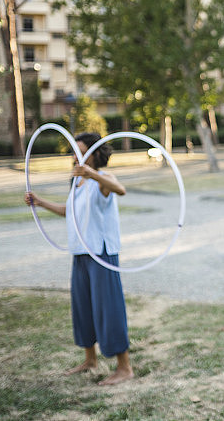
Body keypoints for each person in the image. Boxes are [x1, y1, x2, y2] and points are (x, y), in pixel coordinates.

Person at [25, 132, 134, 386]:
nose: (75, 156)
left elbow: (121, 190)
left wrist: (91, 174)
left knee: (109, 309)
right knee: (83, 308)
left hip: (101, 253)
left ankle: (124, 367)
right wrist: (39, 202)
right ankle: (90, 360)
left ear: (94, 154)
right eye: (74, 151)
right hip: (80, 253)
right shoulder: (77, 183)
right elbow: (69, 212)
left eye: (81, 151)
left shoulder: (103, 179)